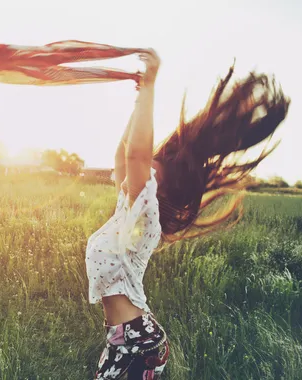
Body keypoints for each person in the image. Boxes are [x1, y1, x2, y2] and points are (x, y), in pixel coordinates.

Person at [86, 49, 290, 379]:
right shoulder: (128, 215)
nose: (148, 164)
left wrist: (151, 84)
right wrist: (140, 98)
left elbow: (136, 156)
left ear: (162, 186)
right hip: (125, 341)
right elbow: (124, 155)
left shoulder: (147, 214)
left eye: (154, 167)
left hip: (139, 345)